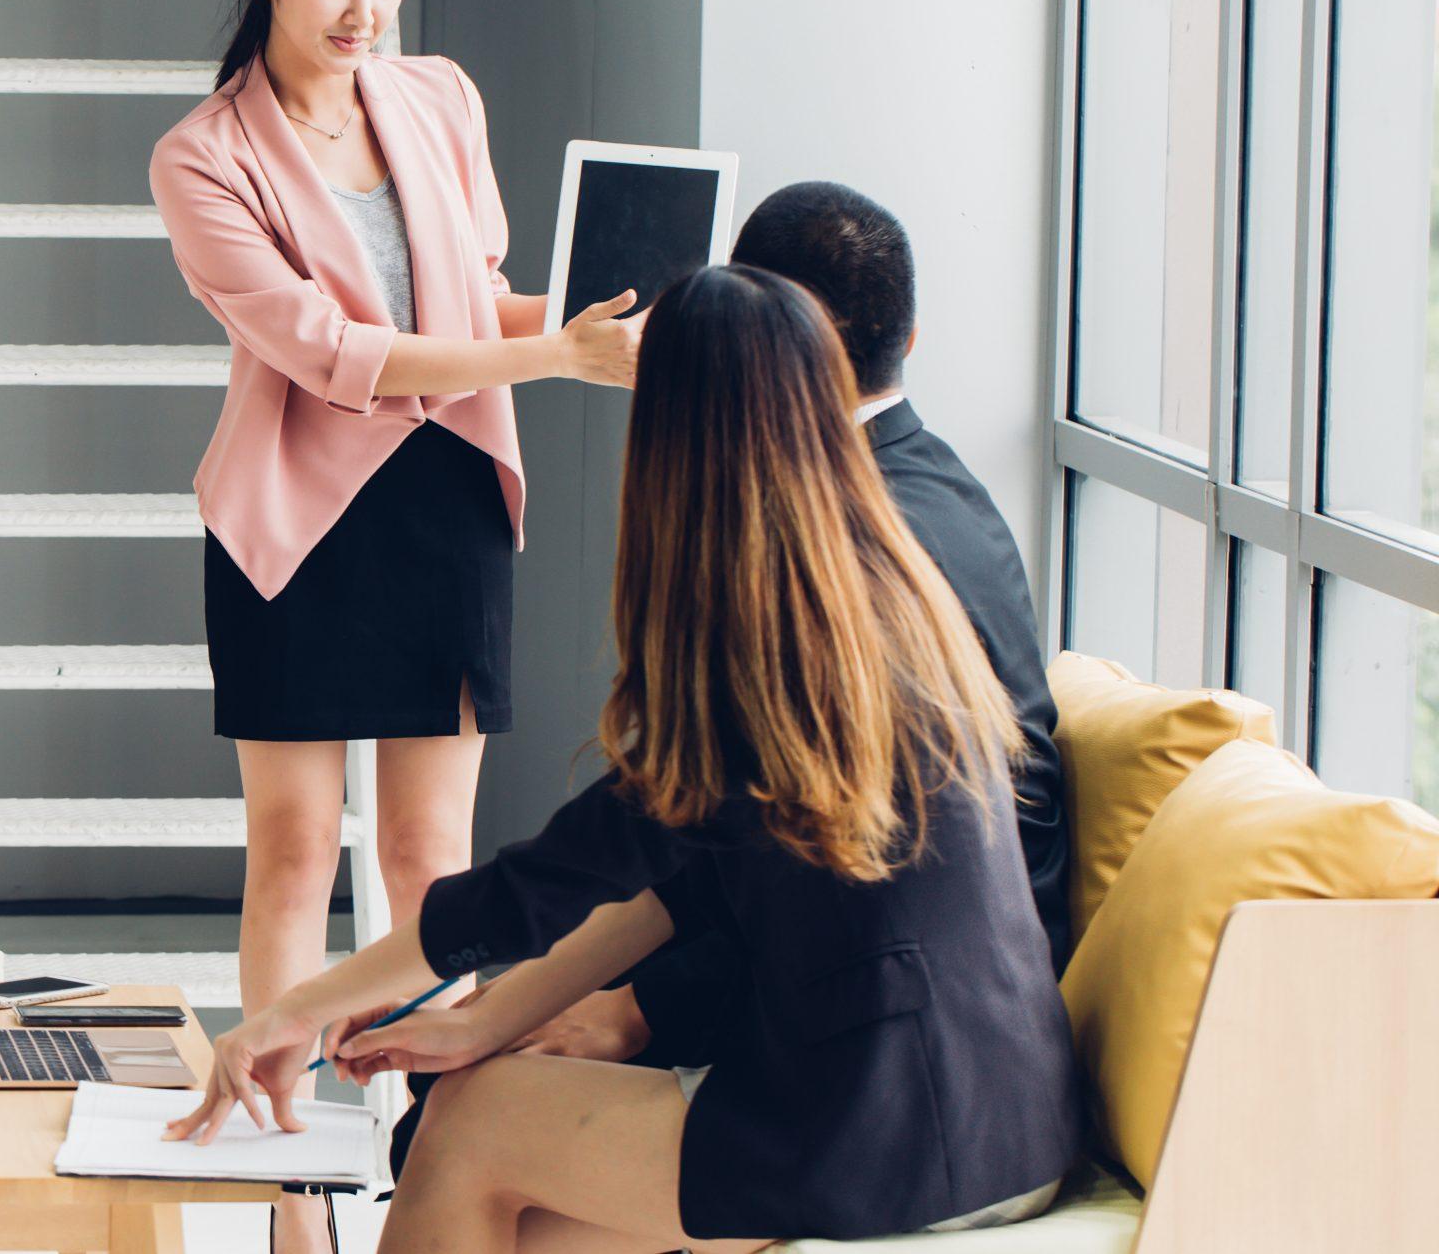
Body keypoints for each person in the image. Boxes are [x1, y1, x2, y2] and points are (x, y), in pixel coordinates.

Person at [171, 266, 1084, 1252]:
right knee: (523, 1224)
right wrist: (480, 1023)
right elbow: (673, 876)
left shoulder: (765, 647)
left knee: (466, 1127)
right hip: (1008, 1114)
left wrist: (288, 1014)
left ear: (672, 436)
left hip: (889, 1129)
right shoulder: (881, 586)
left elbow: (547, 881)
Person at [149, 0, 641, 1249]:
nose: (366, 15)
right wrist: (550, 352)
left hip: (447, 500)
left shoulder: (438, 96)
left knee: (435, 856)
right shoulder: (202, 155)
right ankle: (293, 1196)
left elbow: (476, 294)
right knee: (295, 852)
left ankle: (437, 1156)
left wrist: (608, 326)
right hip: (293, 521)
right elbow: (327, 350)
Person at [451, 182, 1072, 1096]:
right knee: (465, 1091)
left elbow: (871, 868)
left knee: (462, 1112)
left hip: (912, 1022)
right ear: (909, 339)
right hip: (905, 981)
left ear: (763, 346)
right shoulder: (928, 487)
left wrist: (640, 1009)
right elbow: (716, 829)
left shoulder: (844, 558)